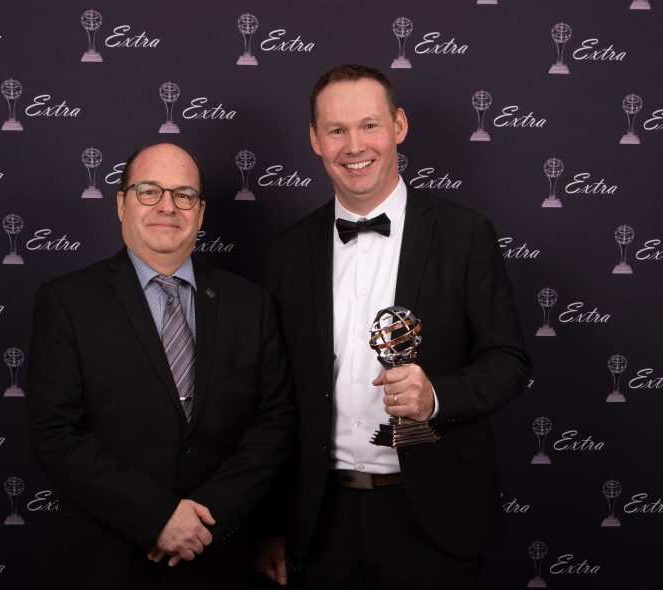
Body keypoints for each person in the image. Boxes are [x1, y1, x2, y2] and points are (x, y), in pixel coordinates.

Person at [255, 65, 531, 589]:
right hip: (320, 519)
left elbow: (509, 362)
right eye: (336, 130)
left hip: (434, 515)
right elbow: (273, 397)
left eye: (369, 125)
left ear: (399, 125)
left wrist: (436, 396)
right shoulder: (289, 250)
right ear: (315, 140)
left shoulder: (465, 234)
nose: (354, 146)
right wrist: (272, 523)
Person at [28, 143, 294, 589]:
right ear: (121, 203)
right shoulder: (67, 302)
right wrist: (157, 517)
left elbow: (274, 425)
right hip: (106, 560)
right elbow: (55, 433)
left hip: (219, 556)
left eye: (184, 194)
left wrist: (204, 519)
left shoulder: (251, 304)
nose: (167, 206)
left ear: (201, 212)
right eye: (149, 191)